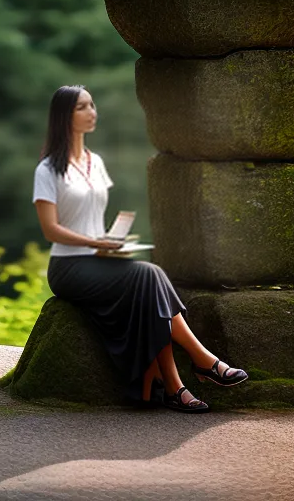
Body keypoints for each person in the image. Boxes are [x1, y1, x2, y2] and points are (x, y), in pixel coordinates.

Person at [32, 84, 249, 413]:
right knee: (150, 275)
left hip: (98, 258)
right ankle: (202, 361)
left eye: (92, 105)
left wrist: (111, 242)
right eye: (83, 107)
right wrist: (95, 242)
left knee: (151, 279)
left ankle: (175, 386)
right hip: (69, 267)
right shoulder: (47, 169)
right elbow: (52, 229)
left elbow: (90, 219)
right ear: (64, 116)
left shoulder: (95, 162)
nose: (93, 112)